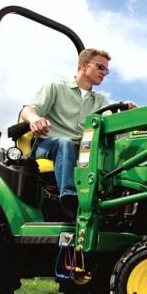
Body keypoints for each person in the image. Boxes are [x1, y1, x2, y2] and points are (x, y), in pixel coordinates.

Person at [20, 48, 135, 214]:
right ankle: (70, 197)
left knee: (112, 150)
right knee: (64, 143)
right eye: (100, 67)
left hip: (82, 150)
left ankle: (113, 203)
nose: (104, 73)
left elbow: (113, 123)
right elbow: (28, 110)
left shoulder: (100, 100)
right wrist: (35, 119)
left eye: (106, 70)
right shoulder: (56, 87)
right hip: (48, 145)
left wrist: (127, 112)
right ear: (83, 65)